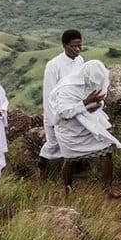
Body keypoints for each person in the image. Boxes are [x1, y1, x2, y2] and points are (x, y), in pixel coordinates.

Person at [51, 60, 121, 198]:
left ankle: (108, 188)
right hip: (69, 130)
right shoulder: (67, 87)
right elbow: (63, 112)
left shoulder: (96, 81)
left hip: (88, 125)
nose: (95, 84)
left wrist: (98, 105)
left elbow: (100, 99)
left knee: (106, 149)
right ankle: (68, 190)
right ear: (85, 75)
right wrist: (85, 103)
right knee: (70, 160)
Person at [39, 29, 85, 171]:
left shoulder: (80, 60)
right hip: (57, 111)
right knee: (53, 143)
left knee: (75, 140)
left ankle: (77, 170)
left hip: (74, 109)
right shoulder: (54, 65)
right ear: (64, 45)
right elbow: (49, 93)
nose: (77, 49)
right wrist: (54, 118)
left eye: (79, 46)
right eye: (73, 46)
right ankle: (42, 168)